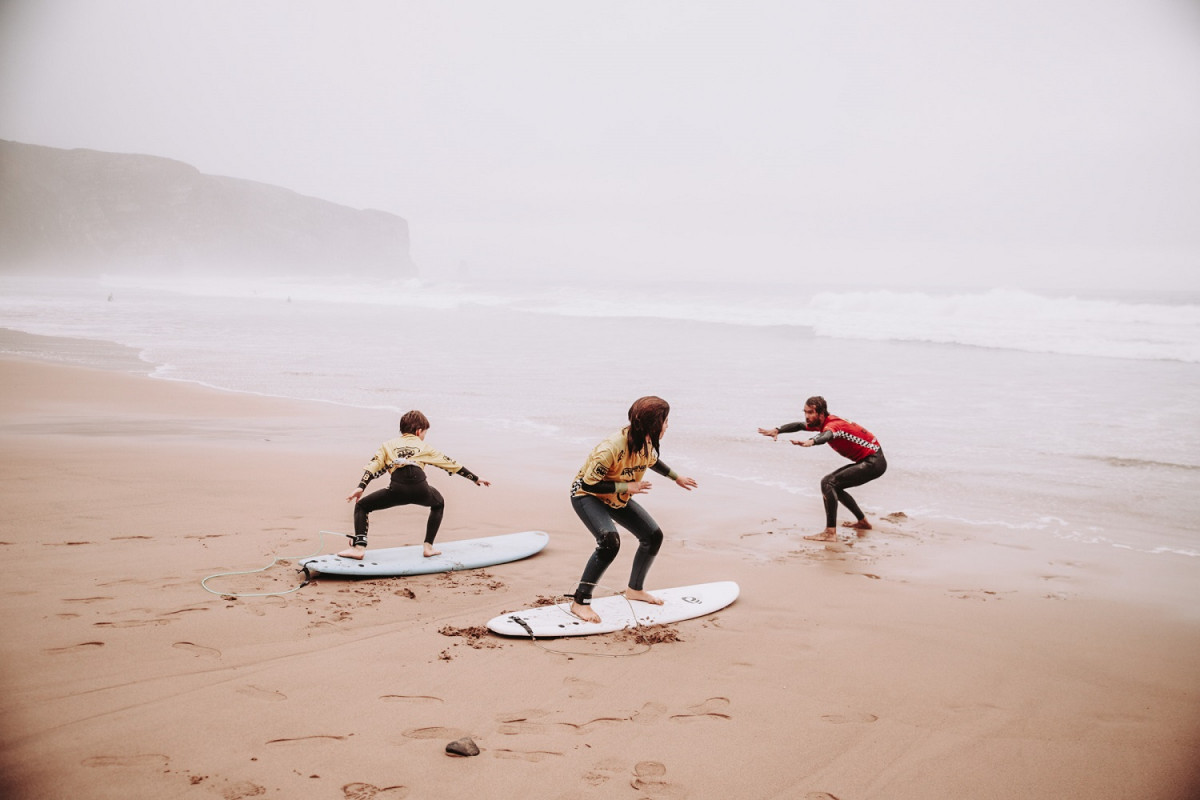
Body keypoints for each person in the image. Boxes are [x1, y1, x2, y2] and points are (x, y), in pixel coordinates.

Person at [568, 396, 698, 623]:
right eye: (666, 421)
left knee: (652, 536)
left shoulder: (644, 440)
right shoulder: (610, 448)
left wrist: (676, 477)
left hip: (616, 495)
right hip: (587, 495)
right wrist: (628, 486)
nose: (668, 426)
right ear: (654, 425)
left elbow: (652, 461)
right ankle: (580, 602)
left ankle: (635, 590)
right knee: (609, 542)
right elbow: (589, 483)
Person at [340, 410, 490, 560]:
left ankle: (359, 549)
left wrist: (361, 486)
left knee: (362, 506)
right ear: (419, 431)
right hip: (421, 487)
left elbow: (374, 465)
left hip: (397, 488)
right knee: (439, 503)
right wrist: (475, 478)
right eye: (425, 432)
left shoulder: (388, 445)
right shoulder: (424, 447)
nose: (424, 436)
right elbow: (450, 463)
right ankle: (428, 547)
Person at [757, 396, 886, 545]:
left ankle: (830, 532)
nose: (806, 416)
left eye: (810, 412)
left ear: (821, 413)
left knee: (828, 483)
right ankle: (863, 522)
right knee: (836, 486)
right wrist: (777, 430)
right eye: (805, 412)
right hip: (871, 460)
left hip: (874, 462)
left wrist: (812, 441)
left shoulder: (833, 425)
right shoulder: (821, 422)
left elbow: (827, 435)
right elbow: (799, 426)